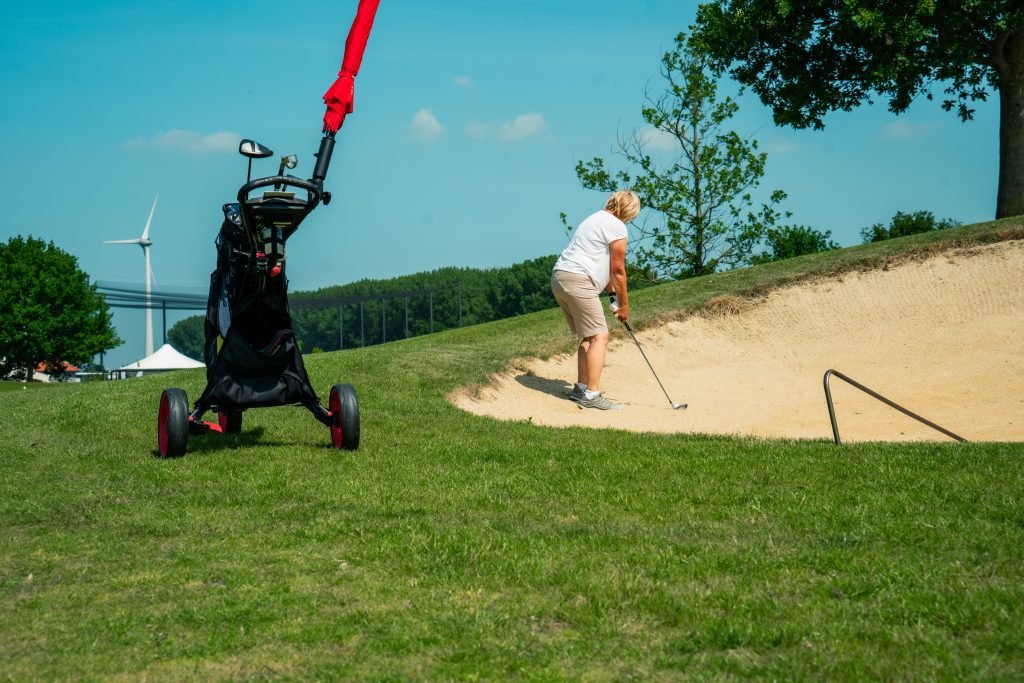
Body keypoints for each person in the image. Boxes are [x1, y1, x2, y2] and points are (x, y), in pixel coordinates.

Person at [551, 190, 640, 410]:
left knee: (588, 336)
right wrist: (625, 307)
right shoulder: (618, 227)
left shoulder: (594, 219)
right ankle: (592, 395)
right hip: (579, 280)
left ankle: (581, 389)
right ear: (628, 211)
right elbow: (618, 271)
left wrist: (612, 297)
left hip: (560, 277)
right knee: (600, 336)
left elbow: (604, 267)